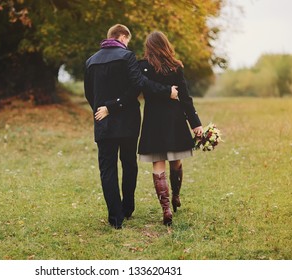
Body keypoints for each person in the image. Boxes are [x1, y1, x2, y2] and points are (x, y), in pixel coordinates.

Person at [84, 24, 179, 229]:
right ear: (123, 36)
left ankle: (115, 218)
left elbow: (89, 94)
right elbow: (137, 86)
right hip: (128, 121)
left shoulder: (90, 61)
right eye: (127, 40)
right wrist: (115, 106)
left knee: (107, 169)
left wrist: (102, 110)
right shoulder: (126, 57)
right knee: (129, 164)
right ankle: (127, 209)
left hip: (103, 123)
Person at [138, 31, 203, 226]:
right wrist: (196, 124)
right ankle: (175, 196)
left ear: (148, 47)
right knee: (176, 162)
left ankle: (166, 209)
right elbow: (185, 98)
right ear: (166, 45)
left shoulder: (142, 67)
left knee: (158, 165)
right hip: (174, 120)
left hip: (153, 121)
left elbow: (142, 89)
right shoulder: (176, 67)